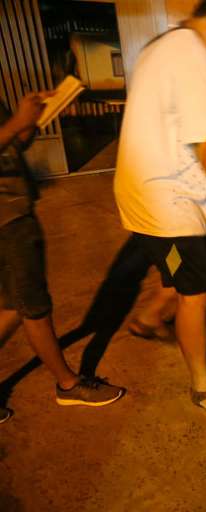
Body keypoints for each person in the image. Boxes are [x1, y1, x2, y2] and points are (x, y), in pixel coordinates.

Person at [113, 0, 206, 419]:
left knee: (182, 270)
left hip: (157, 195)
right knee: (197, 291)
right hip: (165, 202)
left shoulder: (162, 47)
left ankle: (147, 320)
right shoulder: (191, 54)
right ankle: (203, 386)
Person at [0, 93, 125, 424]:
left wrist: (33, 120)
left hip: (15, 210)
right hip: (5, 220)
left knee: (13, 307)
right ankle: (68, 385)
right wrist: (15, 122)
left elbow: (13, 146)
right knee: (34, 306)